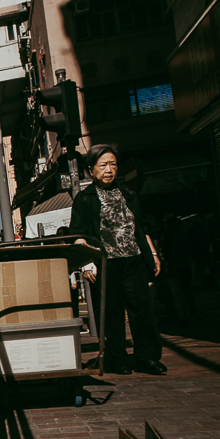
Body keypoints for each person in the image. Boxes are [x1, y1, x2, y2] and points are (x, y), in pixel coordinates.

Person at [69, 144, 165, 376]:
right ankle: (116, 359)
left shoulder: (129, 195)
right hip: (105, 263)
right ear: (91, 170)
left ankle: (147, 357)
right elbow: (78, 235)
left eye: (112, 164)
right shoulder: (84, 199)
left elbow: (140, 228)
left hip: (133, 260)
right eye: (102, 165)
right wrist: (87, 262)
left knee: (142, 310)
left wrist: (151, 254)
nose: (109, 170)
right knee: (110, 313)